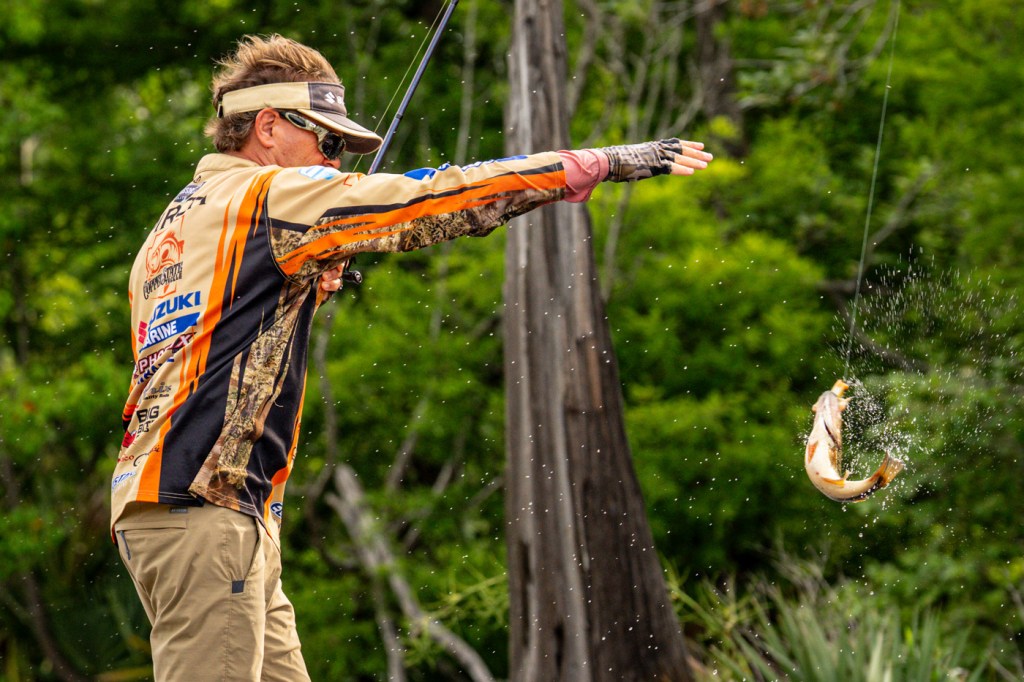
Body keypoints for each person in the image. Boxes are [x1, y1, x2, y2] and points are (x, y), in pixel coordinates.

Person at [110, 33, 713, 680]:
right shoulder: (271, 196)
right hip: (207, 510)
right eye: (327, 142)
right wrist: (589, 164)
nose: (334, 163)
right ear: (267, 127)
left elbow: (206, 345)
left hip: (190, 504)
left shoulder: (175, 225)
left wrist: (298, 279)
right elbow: (433, 198)